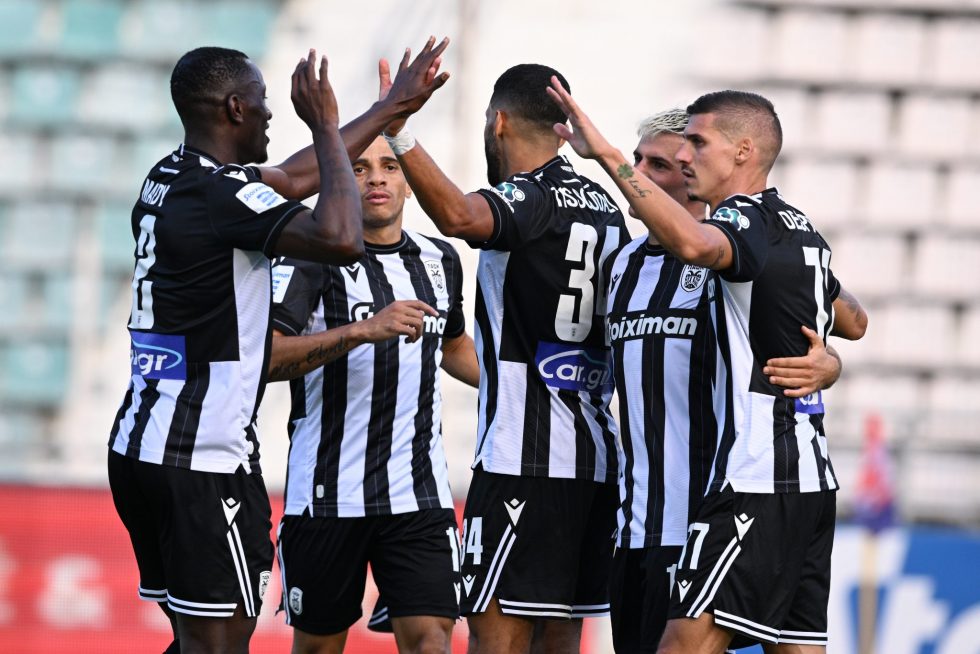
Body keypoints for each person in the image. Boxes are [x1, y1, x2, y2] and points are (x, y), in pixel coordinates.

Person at [107, 42, 450, 654]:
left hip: (142, 443)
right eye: (263, 103)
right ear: (235, 109)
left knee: (194, 640)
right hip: (203, 455)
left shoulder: (173, 176)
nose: (271, 114)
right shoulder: (222, 195)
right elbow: (340, 238)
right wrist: (323, 124)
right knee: (219, 643)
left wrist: (389, 109)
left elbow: (294, 179)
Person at [550, 85, 868, 653]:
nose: (685, 158)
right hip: (669, 508)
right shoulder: (630, 263)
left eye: (688, 150)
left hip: (736, 489)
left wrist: (605, 156)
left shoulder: (739, 228)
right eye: (642, 159)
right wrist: (827, 360)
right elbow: (843, 318)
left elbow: (845, 319)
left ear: (742, 151)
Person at [379, 62, 628, 654]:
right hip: (595, 461)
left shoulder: (529, 196)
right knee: (560, 636)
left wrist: (399, 130)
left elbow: (460, 217)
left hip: (522, 460)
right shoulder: (607, 206)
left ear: (499, 121)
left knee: (497, 638)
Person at [268, 134, 479, 654]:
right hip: (327, 494)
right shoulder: (309, 257)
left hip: (418, 492)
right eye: (359, 168)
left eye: (390, 166)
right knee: (318, 648)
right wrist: (362, 330)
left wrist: (524, 387)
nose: (377, 178)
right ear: (339, 180)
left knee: (432, 641)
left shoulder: (440, 259)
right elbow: (267, 357)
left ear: (409, 183)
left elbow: (453, 345)